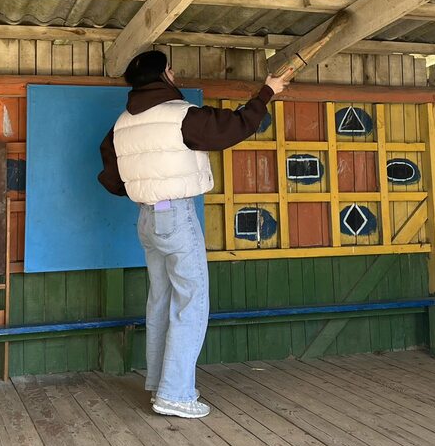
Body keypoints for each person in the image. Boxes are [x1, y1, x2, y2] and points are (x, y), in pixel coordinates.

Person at [98, 49, 291, 418]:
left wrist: (142, 189)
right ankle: (174, 393)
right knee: (192, 301)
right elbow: (234, 126)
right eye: (170, 69)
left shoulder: (122, 124)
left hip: (146, 218)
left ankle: (160, 384)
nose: (175, 74)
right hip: (174, 215)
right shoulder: (180, 115)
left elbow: (111, 171)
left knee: (161, 300)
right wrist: (267, 91)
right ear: (162, 75)